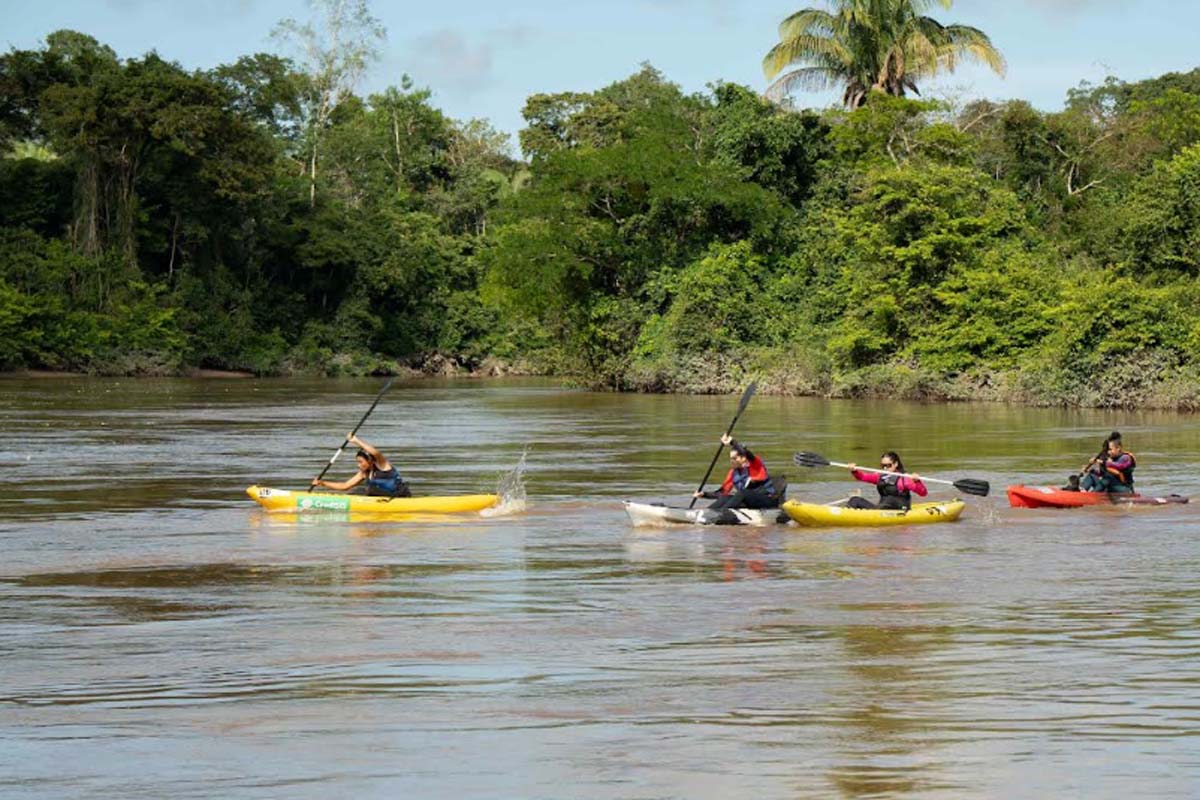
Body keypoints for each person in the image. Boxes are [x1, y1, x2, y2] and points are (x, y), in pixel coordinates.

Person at [694, 434, 780, 510]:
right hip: (749, 502)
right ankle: (707, 513)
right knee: (725, 498)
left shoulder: (755, 464)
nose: (732, 461)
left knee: (742, 493)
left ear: (743, 458)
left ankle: (720, 514)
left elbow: (747, 452)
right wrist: (704, 494)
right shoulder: (733, 473)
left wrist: (732, 442)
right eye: (731, 458)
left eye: (735, 458)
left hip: (768, 501)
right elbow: (722, 492)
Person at [311, 433, 411, 497]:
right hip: (381, 500)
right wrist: (323, 483)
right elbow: (345, 486)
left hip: (400, 497)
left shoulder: (383, 465)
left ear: (370, 460)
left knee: (367, 490)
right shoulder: (363, 473)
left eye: (360, 462)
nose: (358, 465)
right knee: (357, 491)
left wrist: (355, 441)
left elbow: (375, 452)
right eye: (357, 462)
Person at [845, 452, 927, 510]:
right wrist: (854, 470)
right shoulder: (879, 476)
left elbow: (923, 493)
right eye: (883, 465)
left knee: (888, 501)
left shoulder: (904, 479)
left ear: (896, 464)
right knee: (854, 500)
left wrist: (917, 481)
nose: (885, 468)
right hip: (881, 509)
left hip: (900, 510)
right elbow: (862, 477)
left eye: (888, 465)